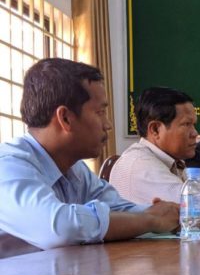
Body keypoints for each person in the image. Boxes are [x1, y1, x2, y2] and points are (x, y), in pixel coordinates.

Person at [0, 59, 179, 254]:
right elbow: (61, 228)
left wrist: (164, 213)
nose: (108, 124)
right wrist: (149, 220)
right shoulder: (8, 166)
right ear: (65, 118)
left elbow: (118, 209)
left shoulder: (74, 169)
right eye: (100, 112)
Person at [110, 87, 200, 222]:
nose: (195, 133)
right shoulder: (141, 165)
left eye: (194, 124)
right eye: (186, 124)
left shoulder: (174, 163)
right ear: (155, 129)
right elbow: (199, 213)